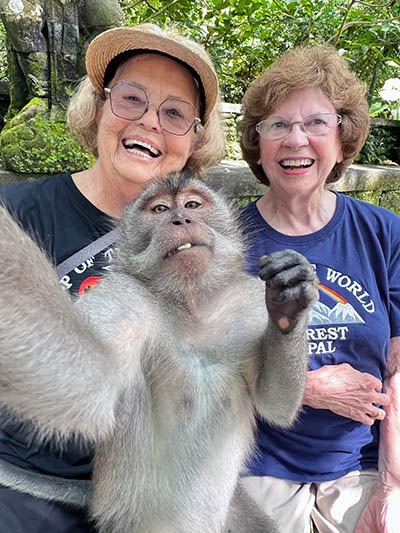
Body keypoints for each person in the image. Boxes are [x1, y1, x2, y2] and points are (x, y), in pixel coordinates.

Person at [0, 23, 224, 532]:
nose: (149, 122)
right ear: (99, 109)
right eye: (131, 99)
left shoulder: (197, 245)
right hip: (16, 488)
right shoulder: (16, 214)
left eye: (174, 113)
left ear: (193, 140)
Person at [237, 45, 400, 533]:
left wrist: (393, 482)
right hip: (256, 461)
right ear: (257, 143)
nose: (296, 140)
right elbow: (201, 371)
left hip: (365, 459)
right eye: (278, 125)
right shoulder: (227, 242)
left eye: (316, 123)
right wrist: (307, 389)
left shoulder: (384, 232)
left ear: (342, 137)